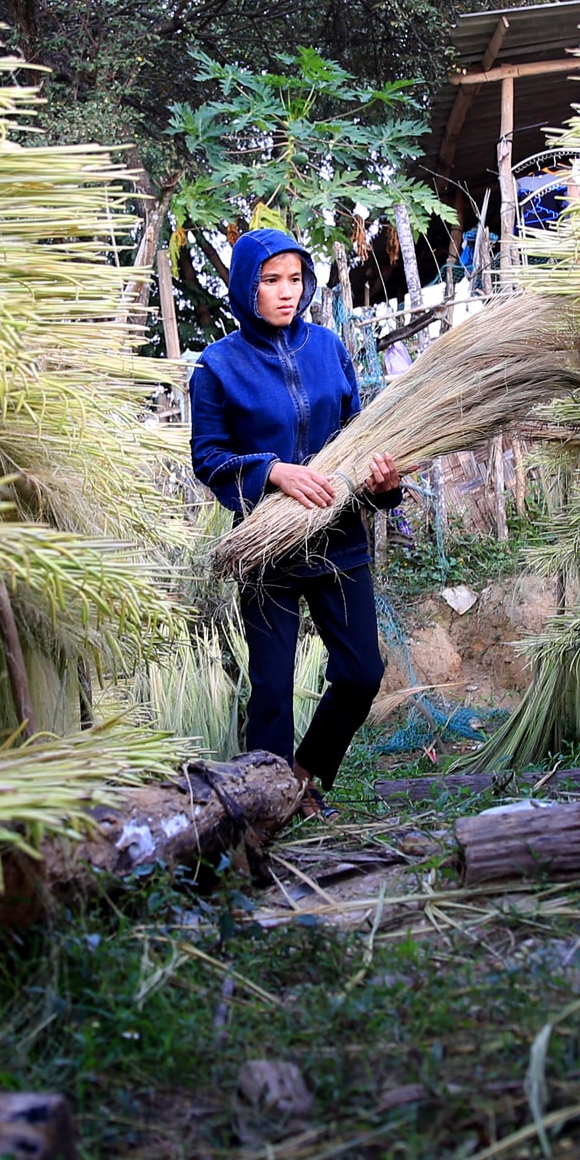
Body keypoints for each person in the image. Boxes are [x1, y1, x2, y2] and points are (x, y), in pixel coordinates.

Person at [188, 227, 408, 801]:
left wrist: (383, 484)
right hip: (267, 549)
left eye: (295, 279)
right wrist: (272, 471)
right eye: (270, 280)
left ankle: (305, 775)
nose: (287, 292)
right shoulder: (217, 369)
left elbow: (360, 440)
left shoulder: (329, 350)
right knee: (271, 691)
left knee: (361, 674)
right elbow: (208, 459)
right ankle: (265, 803)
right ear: (244, 287)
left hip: (338, 540)